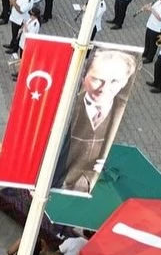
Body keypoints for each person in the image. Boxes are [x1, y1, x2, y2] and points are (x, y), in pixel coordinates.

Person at [55, 49, 137, 192]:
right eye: (97, 79)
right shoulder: (67, 107)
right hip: (60, 180)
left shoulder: (119, 110)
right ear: (83, 77)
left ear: (125, 82)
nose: (104, 88)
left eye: (114, 81)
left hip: (92, 185)